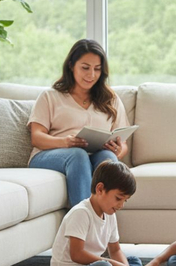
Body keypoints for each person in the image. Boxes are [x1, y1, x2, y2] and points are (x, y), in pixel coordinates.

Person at [28, 39, 130, 207]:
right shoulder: (50, 96)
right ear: (71, 65)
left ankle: (104, 224)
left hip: (95, 153)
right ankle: (83, 223)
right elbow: (36, 137)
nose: (91, 75)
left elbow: (123, 143)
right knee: (78, 155)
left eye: (97, 69)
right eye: (85, 68)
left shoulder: (110, 99)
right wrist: (65, 142)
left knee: (108, 159)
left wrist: (118, 151)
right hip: (51, 155)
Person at [49, 160, 142, 266]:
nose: (121, 205)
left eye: (125, 200)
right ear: (100, 189)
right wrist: (113, 264)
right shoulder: (81, 213)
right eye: (118, 198)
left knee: (133, 261)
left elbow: (115, 250)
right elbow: (77, 254)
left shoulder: (110, 214)